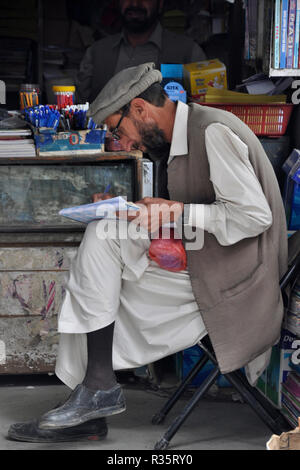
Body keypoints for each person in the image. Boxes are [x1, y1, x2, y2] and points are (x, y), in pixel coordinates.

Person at [8, 62, 288, 443]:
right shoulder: (184, 135)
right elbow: (204, 212)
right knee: (103, 240)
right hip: (213, 261)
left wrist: (176, 211)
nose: (123, 143)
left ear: (139, 108)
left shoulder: (212, 132)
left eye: (117, 131)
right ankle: (94, 392)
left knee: (101, 268)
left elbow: (254, 217)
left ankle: (96, 391)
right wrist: (146, 210)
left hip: (239, 282)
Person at [76, 0, 206, 103]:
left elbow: (205, 111)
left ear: (160, 4)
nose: (134, 3)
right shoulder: (97, 52)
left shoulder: (188, 52)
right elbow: (79, 108)